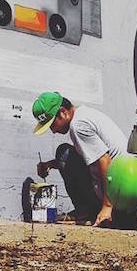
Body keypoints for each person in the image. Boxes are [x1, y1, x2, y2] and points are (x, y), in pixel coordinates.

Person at [32, 91, 126, 226]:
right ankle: (90, 211)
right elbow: (86, 157)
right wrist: (50, 164)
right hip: (122, 191)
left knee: (63, 152)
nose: (53, 131)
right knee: (64, 155)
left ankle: (85, 212)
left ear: (63, 112)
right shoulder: (85, 115)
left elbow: (105, 161)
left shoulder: (78, 126)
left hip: (115, 195)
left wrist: (107, 207)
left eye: (52, 124)